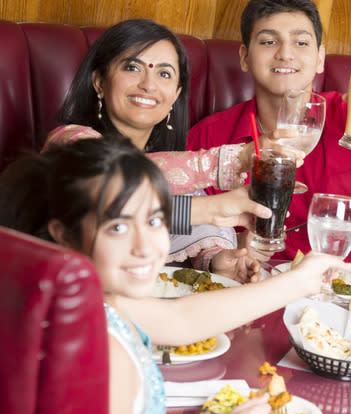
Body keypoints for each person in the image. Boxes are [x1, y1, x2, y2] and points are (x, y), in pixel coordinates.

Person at [0, 137, 351, 414]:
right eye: (118, 228)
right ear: (64, 233)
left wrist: (297, 282)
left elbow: (183, 318)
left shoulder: (97, 304)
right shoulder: (104, 355)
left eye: (154, 220)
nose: (145, 247)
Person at [186, 0, 351, 266]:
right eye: (269, 42)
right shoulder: (208, 136)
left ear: (320, 59)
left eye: (301, 43)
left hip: (347, 286)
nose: (285, 54)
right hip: (251, 289)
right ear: (245, 57)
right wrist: (231, 247)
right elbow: (186, 228)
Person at [46, 18, 279, 280]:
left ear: (175, 96)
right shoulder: (68, 142)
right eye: (133, 67)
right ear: (99, 81)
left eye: (164, 73)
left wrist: (217, 262)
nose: (149, 84)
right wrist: (236, 163)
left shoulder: (174, 177)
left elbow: (177, 221)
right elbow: (118, 189)